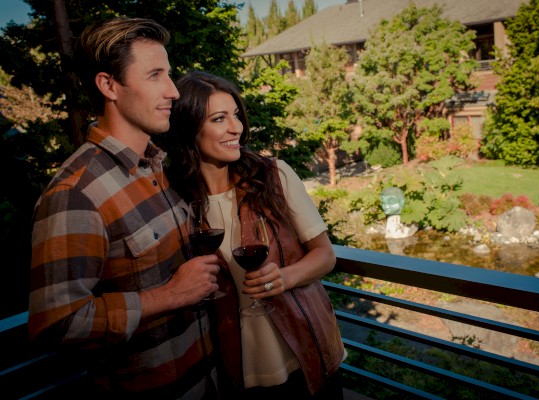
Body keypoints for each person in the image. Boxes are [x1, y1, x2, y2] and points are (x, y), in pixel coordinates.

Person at [28, 18, 222, 399]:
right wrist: (169, 296)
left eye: (169, 74)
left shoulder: (156, 166)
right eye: (155, 75)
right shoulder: (76, 194)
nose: (173, 91)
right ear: (108, 85)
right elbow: (56, 323)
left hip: (206, 382)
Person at [162, 70, 345, 400]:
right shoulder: (176, 200)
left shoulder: (274, 176)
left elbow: (325, 255)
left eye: (235, 115)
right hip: (232, 367)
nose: (236, 128)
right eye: (219, 118)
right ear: (190, 130)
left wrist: (284, 278)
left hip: (304, 351)